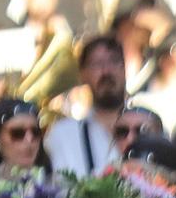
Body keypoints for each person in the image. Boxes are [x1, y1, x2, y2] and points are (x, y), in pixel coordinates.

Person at [47, 35, 125, 176]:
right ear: (83, 74)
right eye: (97, 64)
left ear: (125, 68)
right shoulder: (63, 135)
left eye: (114, 61)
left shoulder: (147, 127)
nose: (106, 71)